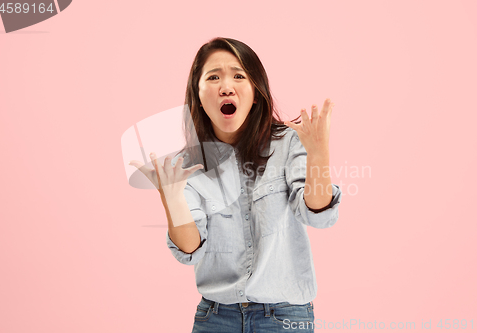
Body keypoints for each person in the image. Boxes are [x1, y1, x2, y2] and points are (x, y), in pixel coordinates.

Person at [130, 37, 342, 333]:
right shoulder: (186, 165)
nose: (226, 86)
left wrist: (319, 155)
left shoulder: (289, 144)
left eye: (238, 75)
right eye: (213, 76)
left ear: (256, 93)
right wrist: (172, 197)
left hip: (283, 318)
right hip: (216, 318)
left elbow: (317, 214)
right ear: (199, 95)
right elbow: (190, 251)